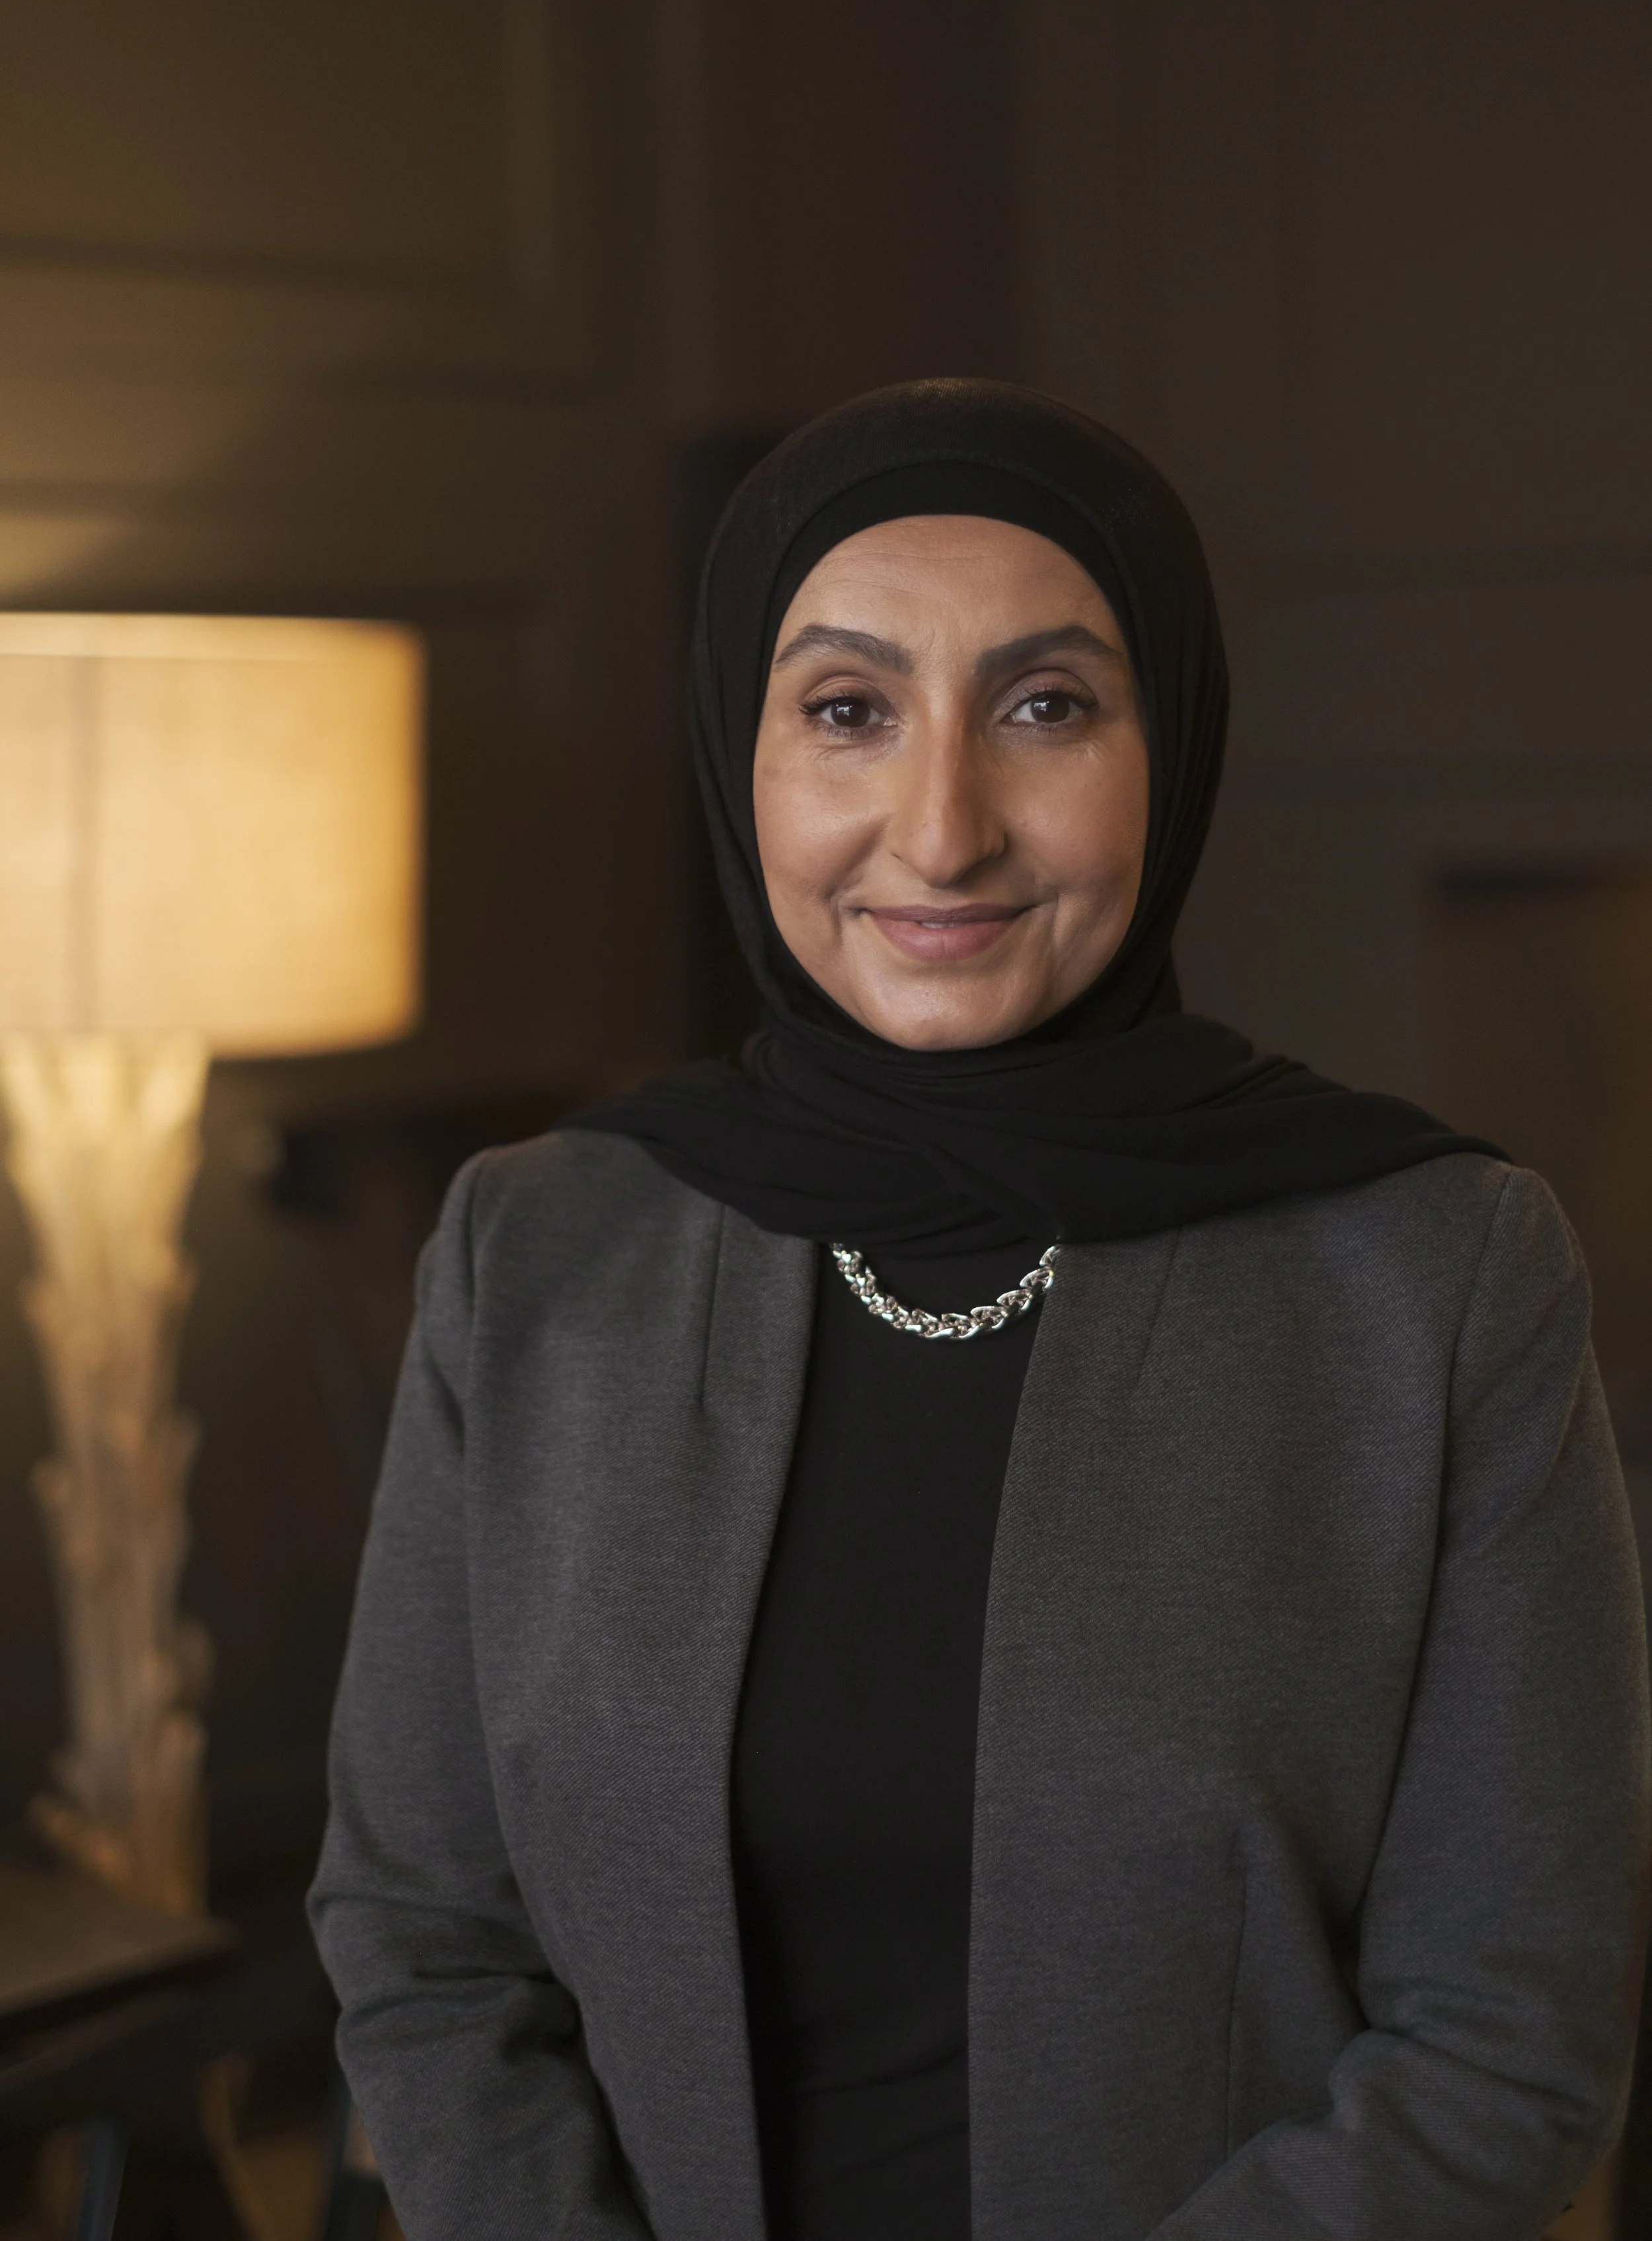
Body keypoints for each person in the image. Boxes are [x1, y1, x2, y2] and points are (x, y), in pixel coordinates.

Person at [309, 379, 1651, 2241]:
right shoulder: (535, 1250)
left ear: (1165, 744)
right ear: (738, 749)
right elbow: (422, 1936)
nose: (939, 832)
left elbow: (1509, 2038)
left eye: (1043, 706)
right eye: (847, 710)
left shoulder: (1432, 1275)